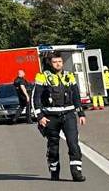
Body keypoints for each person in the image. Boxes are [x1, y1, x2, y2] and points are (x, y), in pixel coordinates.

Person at [33, 52, 87, 181]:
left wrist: (81, 113)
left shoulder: (69, 76)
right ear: (50, 63)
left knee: (73, 143)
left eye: (60, 62)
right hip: (51, 116)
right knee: (53, 145)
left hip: (68, 114)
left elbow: (76, 96)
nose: (58, 64)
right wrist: (40, 116)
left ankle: (76, 172)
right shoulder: (42, 77)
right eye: (55, 62)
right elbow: (35, 98)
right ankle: (54, 170)